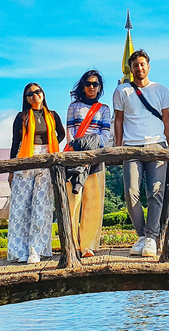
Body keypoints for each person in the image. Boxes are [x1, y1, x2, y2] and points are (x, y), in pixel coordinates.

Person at [113, 49, 169, 258]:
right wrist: (118, 147)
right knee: (131, 193)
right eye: (135, 65)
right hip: (131, 146)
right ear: (130, 69)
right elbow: (119, 121)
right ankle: (141, 235)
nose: (139, 68)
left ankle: (151, 237)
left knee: (155, 193)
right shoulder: (122, 91)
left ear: (148, 66)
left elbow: (167, 120)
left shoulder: (161, 89)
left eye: (142, 64)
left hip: (157, 145)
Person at [8, 82, 66, 264]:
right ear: (26, 99)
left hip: (46, 158)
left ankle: (37, 250)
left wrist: (49, 145)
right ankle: (19, 250)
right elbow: (15, 142)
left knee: (42, 205)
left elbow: (61, 134)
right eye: (30, 94)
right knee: (21, 206)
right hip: (25, 158)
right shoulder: (22, 117)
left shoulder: (52, 115)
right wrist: (11, 169)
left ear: (43, 93)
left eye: (38, 91)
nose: (35, 95)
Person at [65, 70, 112, 258]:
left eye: (95, 84)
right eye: (88, 83)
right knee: (73, 202)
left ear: (100, 88)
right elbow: (71, 133)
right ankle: (72, 243)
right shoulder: (74, 107)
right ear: (82, 86)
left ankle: (88, 245)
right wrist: (80, 150)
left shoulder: (104, 109)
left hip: (95, 157)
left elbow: (105, 136)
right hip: (75, 158)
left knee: (93, 201)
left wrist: (87, 146)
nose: (91, 87)